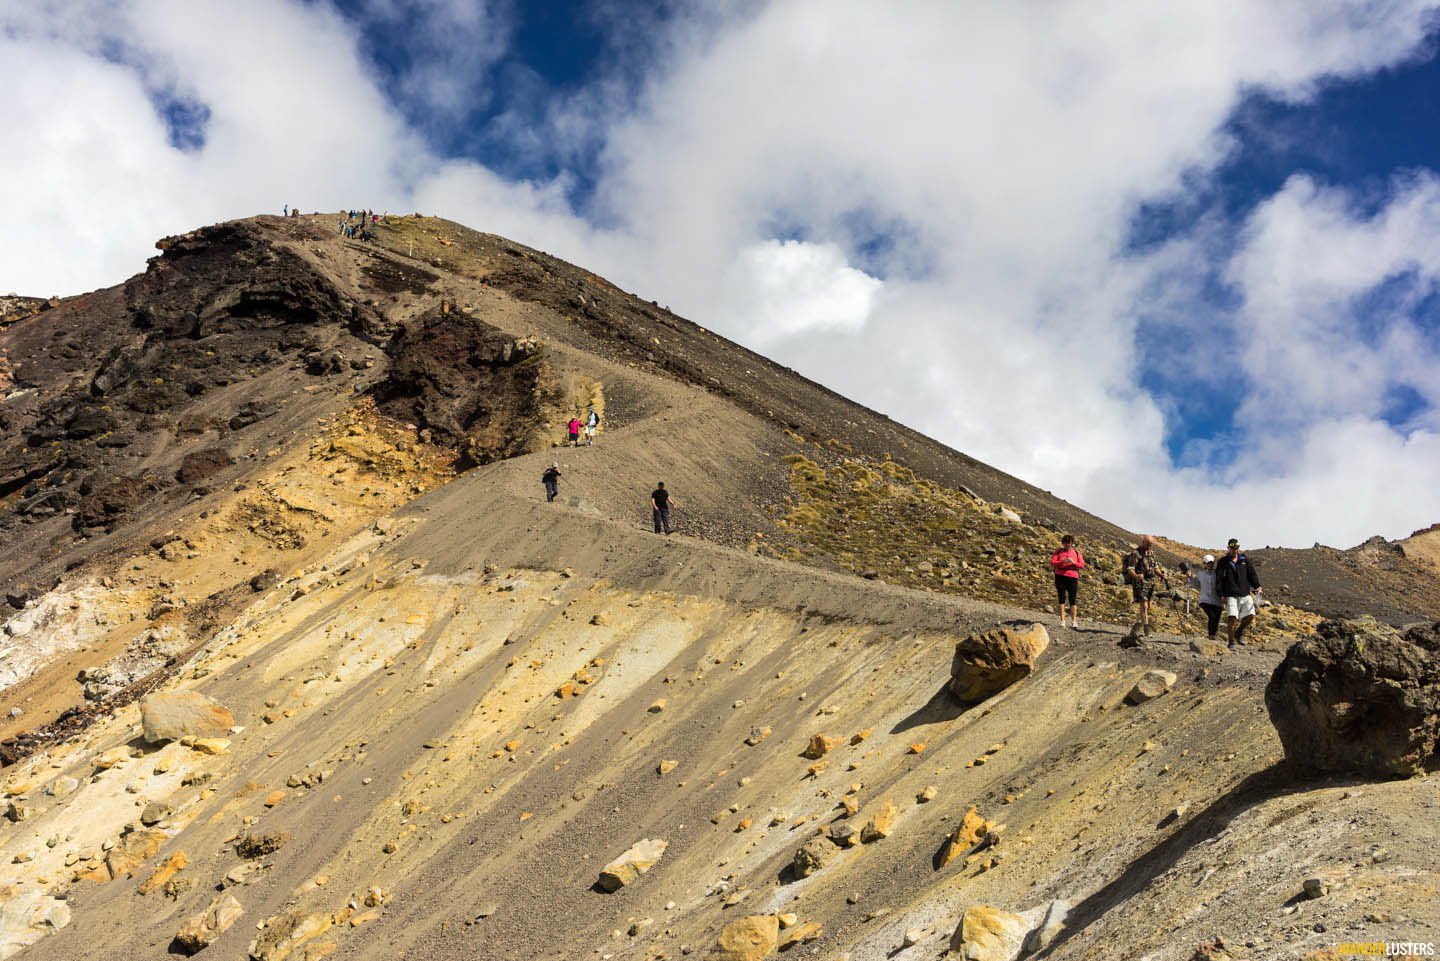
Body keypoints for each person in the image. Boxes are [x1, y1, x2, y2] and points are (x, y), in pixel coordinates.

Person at [1215, 538, 1261, 647]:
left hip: (1245, 593)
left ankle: (1239, 632)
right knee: (1232, 617)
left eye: (1236, 548)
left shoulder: (1244, 560)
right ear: (1228, 548)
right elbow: (1219, 579)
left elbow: (1252, 574)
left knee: (1250, 616)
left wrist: (1257, 586)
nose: (1235, 550)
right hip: (1231, 594)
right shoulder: (1223, 562)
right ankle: (1231, 642)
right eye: (1232, 548)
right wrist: (1221, 594)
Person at [1122, 534, 1169, 638]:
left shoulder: (1151, 553)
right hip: (1139, 583)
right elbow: (1130, 569)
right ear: (1143, 542)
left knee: (1147, 607)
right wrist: (1136, 576)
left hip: (1150, 582)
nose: (1149, 547)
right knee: (1144, 606)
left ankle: (1135, 629)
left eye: (1151, 545)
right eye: (1148, 544)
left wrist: (1161, 574)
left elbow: (1155, 567)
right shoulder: (1136, 553)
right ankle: (1147, 631)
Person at [1049, 534, 1085, 627]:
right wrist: (1062, 562)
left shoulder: (1077, 553)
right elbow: (1052, 563)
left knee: (1072, 599)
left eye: (1069, 543)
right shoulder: (1058, 552)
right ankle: (1062, 621)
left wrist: (1073, 562)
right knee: (1061, 598)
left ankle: (1074, 621)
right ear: (1063, 543)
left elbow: (1082, 565)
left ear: (1072, 543)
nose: (1067, 545)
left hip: (1072, 577)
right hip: (1060, 576)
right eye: (1065, 543)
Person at [1187, 555, 1223, 640]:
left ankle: (1212, 635)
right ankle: (1211, 634)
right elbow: (1195, 585)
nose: (1210, 565)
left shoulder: (1217, 573)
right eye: (1208, 563)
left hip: (1217, 601)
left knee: (1216, 619)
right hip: (1205, 600)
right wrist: (1190, 577)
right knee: (1212, 617)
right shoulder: (1200, 574)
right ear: (1204, 563)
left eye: (1211, 563)